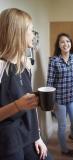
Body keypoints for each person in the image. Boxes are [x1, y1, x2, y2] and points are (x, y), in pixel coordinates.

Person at [0, 8, 53, 160]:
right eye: (31, 30)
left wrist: (37, 136)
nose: (33, 34)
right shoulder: (1, 67)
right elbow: (21, 104)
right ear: (18, 33)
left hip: (27, 134)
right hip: (7, 141)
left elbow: (30, 105)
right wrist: (17, 105)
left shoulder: (25, 64)